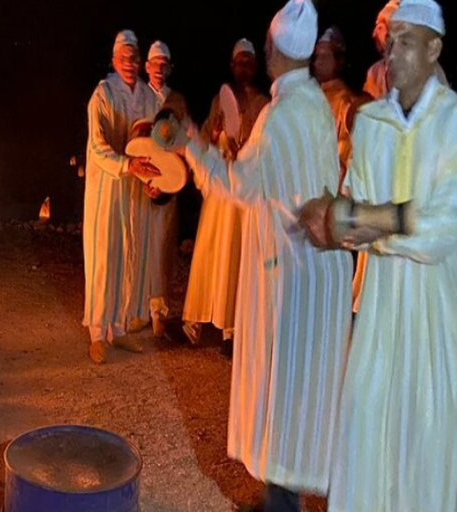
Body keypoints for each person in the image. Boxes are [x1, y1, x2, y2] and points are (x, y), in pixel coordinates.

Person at [181, 1, 353, 510]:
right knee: (300, 398)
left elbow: (238, 184)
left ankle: (282, 501)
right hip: (316, 272)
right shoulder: (315, 105)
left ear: (276, 49)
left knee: (284, 398)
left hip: (292, 279)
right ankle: (286, 494)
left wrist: (191, 141)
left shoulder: (280, 117)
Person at [300, 2, 457, 511]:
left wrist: (368, 221)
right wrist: (334, 224)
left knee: (429, 439)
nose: (393, 52)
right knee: (366, 428)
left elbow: (442, 231)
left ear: (434, 49)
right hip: (380, 311)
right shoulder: (369, 126)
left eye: (407, 41)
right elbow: (353, 220)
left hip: (438, 315)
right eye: (390, 40)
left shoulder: (453, 124)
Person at [183, 39, 269, 347]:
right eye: (239, 61)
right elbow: (206, 138)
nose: (244, 66)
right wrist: (216, 135)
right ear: (232, 65)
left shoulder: (263, 103)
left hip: (242, 190)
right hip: (220, 190)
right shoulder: (221, 99)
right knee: (212, 253)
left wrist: (241, 150)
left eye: (249, 61)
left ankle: (232, 328)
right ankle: (200, 317)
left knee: (237, 257)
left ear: (255, 66)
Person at [82, 30, 161, 364]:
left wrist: (158, 178)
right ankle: (98, 332)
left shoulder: (148, 97)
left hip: (134, 191)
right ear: (114, 60)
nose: (129, 63)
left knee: (130, 256)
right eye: (123, 57)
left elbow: (157, 143)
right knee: (105, 257)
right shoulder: (103, 94)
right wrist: (127, 164)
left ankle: (121, 325)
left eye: (134, 57)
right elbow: (98, 146)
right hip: (108, 189)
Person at [142, 40, 186, 337]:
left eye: (164, 64)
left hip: (167, 185)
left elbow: (181, 145)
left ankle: (159, 311)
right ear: (147, 67)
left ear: (169, 68)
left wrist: (168, 182)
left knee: (162, 249)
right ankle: (136, 309)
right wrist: (144, 180)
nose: (159, 68)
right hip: (140, 184)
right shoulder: (137, 98)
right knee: (139, 247)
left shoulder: (177, 101)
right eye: (154, 63)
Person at [313, 26, 370, 184]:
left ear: (339, 62)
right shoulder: (312, 96)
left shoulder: (346, 102)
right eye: (317, 56)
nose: (319, 62)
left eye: (325, 56)